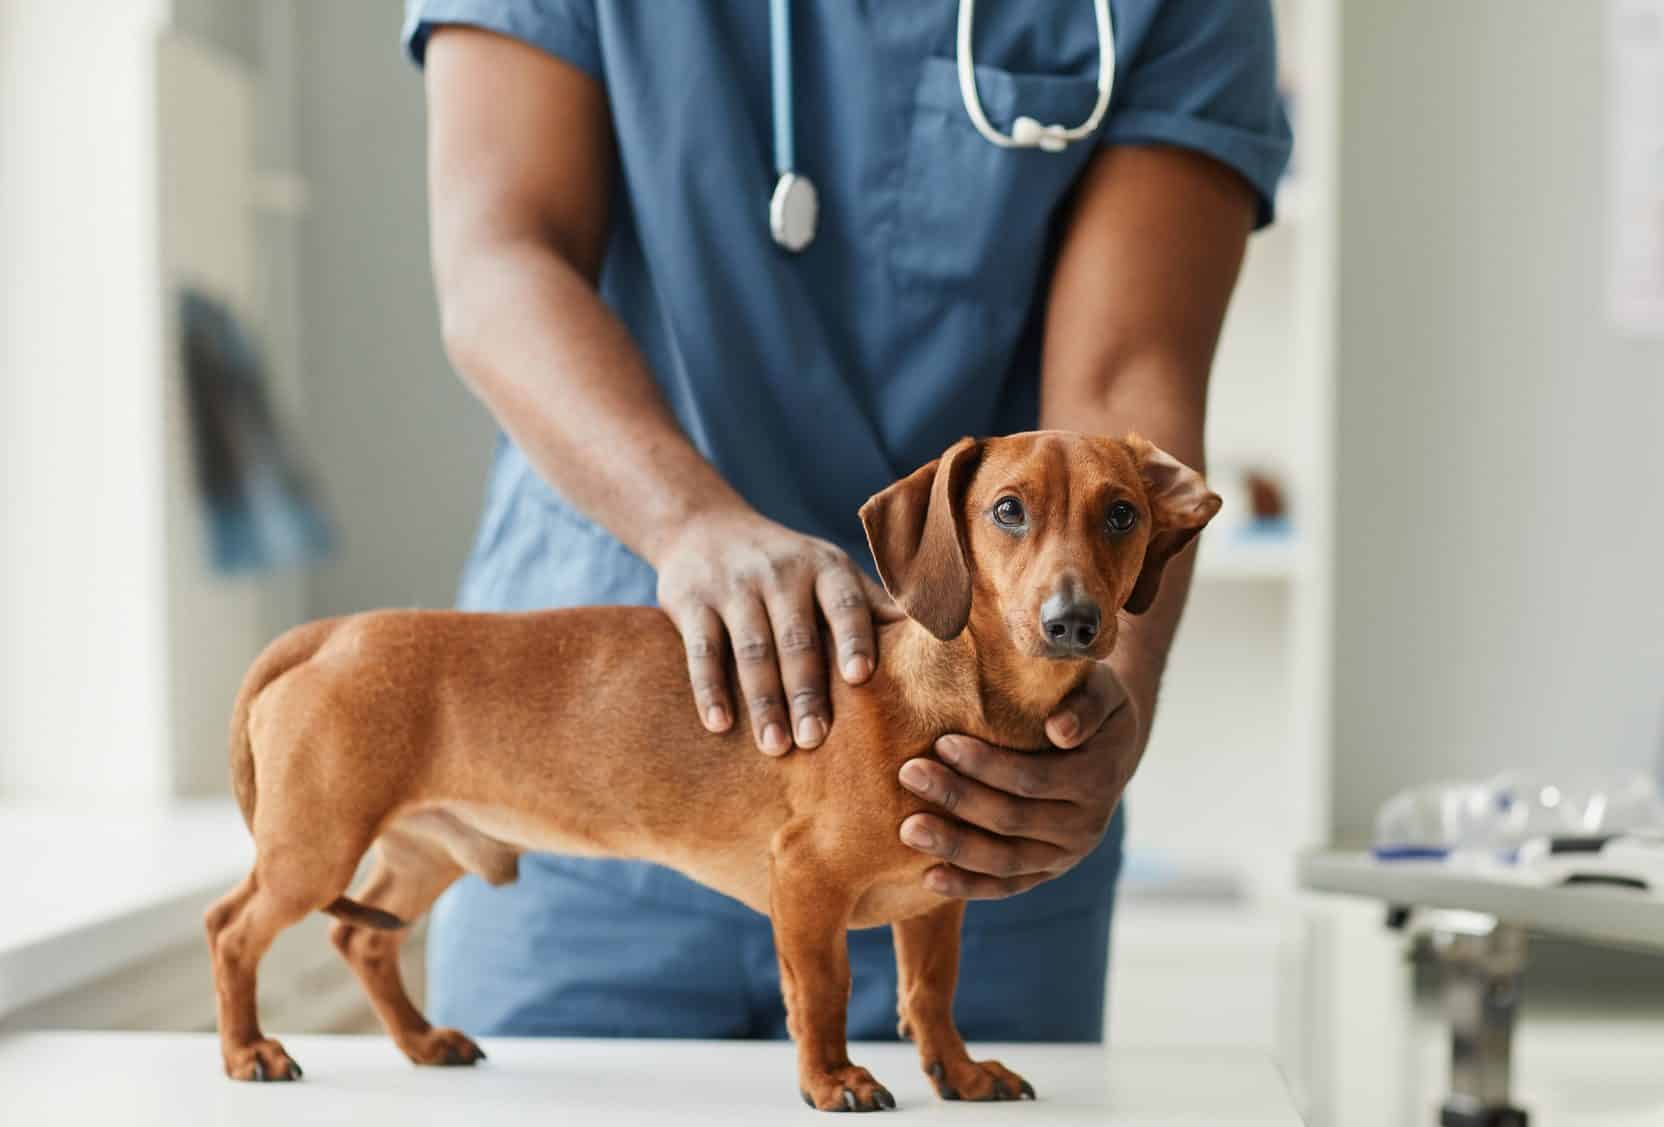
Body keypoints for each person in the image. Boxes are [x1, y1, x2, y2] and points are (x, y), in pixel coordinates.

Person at [402, 0, 1291, 1041]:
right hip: (594, 764)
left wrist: (1098, 701)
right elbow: (502, 257)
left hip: (970, 805)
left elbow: (1125, 370)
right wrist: (686, 518)